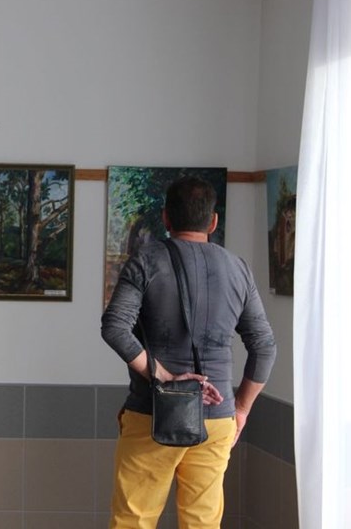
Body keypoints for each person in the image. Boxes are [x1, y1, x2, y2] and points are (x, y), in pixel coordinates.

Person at [101, 175, 276, 529]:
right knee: (202, 523)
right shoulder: (238, 269)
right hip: (217, 417)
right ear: (213, 222)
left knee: (134, 521)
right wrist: (241, 409)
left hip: (152, 413)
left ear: (166, 218)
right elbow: (264, 346)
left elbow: (115, 327)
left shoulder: (145, 261)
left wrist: (162, 375)